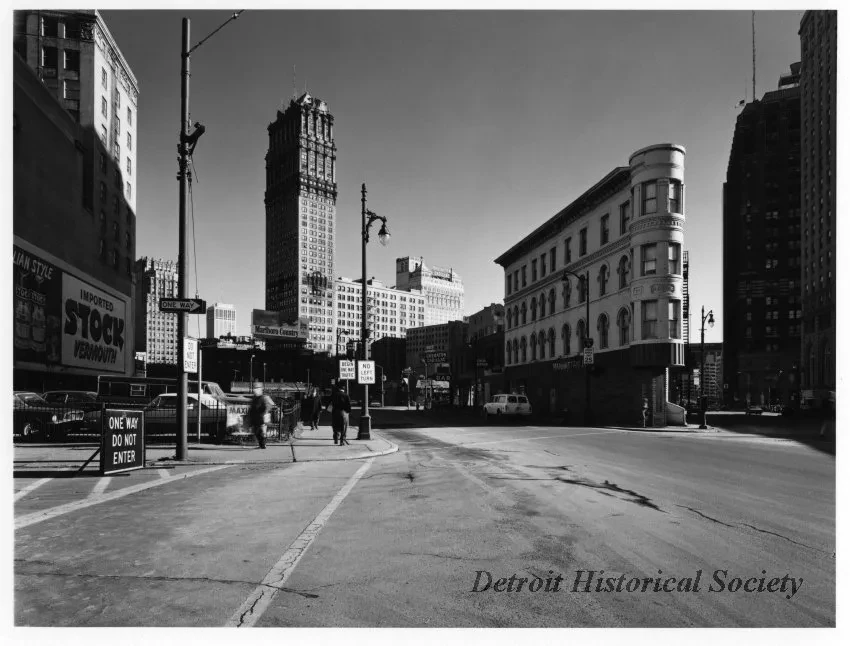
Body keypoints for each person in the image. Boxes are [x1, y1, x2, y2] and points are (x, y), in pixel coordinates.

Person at [249, 382, 275, 449]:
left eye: (257, 388)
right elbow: (252, 407)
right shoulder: (254, 398)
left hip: (260, 418)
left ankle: (263, 445)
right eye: (254, 388)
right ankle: (262, 445)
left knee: (259, 432)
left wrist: (263, 414)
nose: (255, 390)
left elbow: (266, 407)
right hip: (256, 418)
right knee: (256, 432)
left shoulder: (262, 398)